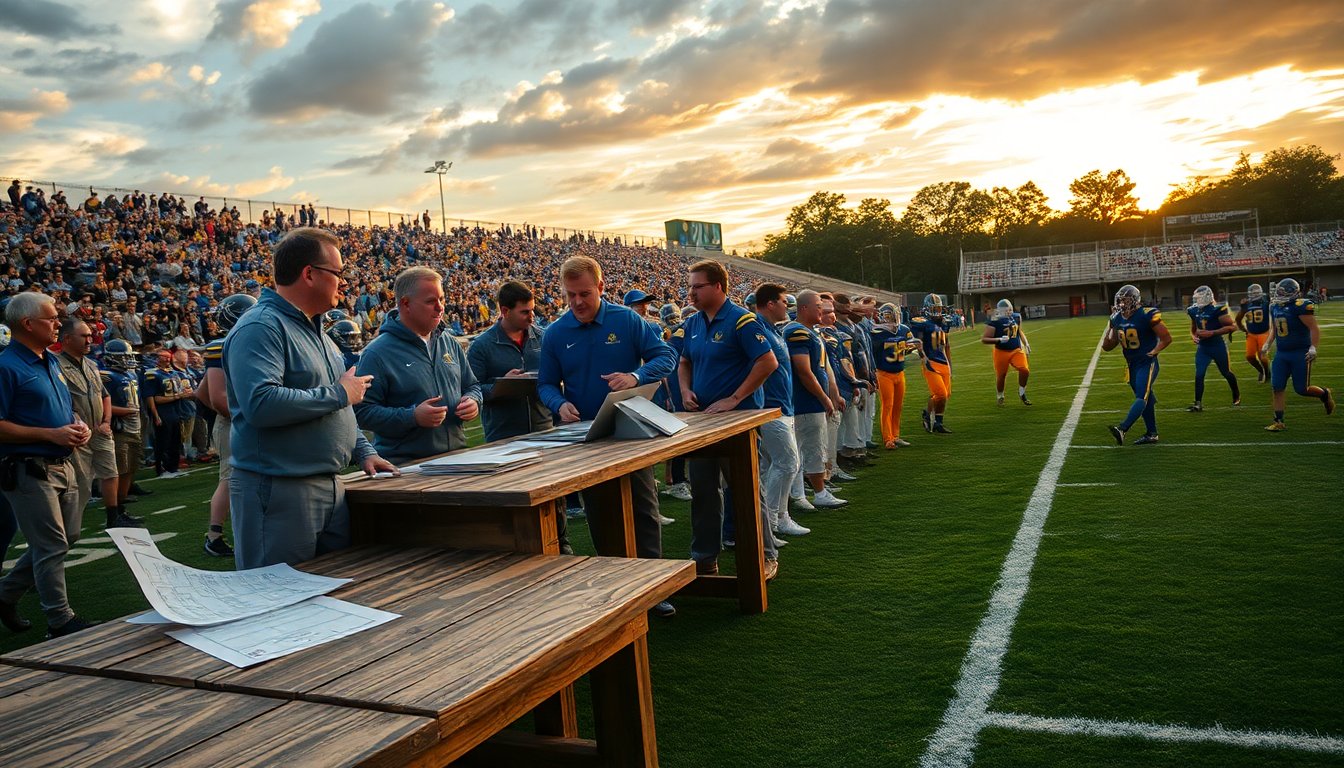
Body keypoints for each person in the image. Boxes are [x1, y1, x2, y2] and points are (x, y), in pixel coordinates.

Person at [224, 227, 397, 569]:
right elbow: (261, 403)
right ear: (309, 274)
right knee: (279, 601)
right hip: (280, 490)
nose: (343, 283)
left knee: (332, 598)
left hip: (328, 485)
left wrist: (364, 450)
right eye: (338, 273)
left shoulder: (320, 334)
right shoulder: (261, 327)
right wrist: (339, 393)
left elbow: (339, 406)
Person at [537, 256, 678, 617]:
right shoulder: (555, 333)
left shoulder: (626, 319)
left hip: (630, 429)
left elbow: (666, 356)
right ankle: (617, 586)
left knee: (643, 506)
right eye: (570, 296)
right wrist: (560, 403)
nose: (578, 302)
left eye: (584, 293)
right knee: (600, 512)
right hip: (588, 435)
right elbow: (546, 384)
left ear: (601, 287)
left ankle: (652, 588)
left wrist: (636, 376)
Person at [677, 260, 779, 580]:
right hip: (702, 422)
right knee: (704, 490)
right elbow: (684, 362)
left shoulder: (742, 321)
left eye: (698, 287)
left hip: (738, 423)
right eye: (690, 286)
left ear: (718, 286)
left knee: (745, 489)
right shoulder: (693, 323)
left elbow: (767, 362)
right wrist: (685, 390)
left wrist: (734, 399)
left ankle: (765, 555)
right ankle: (705, 557)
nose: (691, 292)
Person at [0, 292, 94, 639]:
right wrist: (49, 434)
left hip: (62, 462)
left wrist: (75, 424)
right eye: (52, 318)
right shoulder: (6, 367)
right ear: (27, 324)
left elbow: (61, 406)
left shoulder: (50, 360)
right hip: (28, 467)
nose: (59, 323)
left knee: (66, 537)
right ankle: (59, 621)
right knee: (52, 544)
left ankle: (5, 595)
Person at [467, 281, 571, 552]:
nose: (531, 317)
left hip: (543, 429)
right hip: (504, 434)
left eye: (532, 310)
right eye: (525, 312)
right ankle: (519, 550)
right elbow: (471, 389)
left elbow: (559, 375)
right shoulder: (482, 346)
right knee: (513, 494)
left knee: (553, 491)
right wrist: (502, 385)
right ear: (504, 311)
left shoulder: (542, 336)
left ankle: (561, 543)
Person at [354, 266, 482, 465]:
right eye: (431, 301)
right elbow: (362, 413)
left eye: (442, 299)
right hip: (407, 468)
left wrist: (473, 401)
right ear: (406, 304)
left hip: (457, 460)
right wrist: (412, 416)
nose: (440, 307)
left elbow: (472, 386)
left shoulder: (449, 341)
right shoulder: (377, 353)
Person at [56, 319, 141, 528]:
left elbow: (105, 396)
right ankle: (67, 524)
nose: (90, 340)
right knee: (82, 482)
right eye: (84, 336)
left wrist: (106, 421)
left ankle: (114, 517)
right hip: (78, 432)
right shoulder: (55, 364)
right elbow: (59, 399)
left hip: (100, 428)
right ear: (67, 338)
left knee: (111, 472)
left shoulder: (92, 365)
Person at [196, 292, 256, 558]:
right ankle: (214, 536)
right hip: (236, 421)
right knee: (230, 479)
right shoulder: (222, 344)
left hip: (237, 418)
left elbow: (200, 393)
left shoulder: (235, 341)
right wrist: (241, 415)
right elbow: (215, 396)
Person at [753, 283, 809, 538]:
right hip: (770, 407)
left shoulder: (774, 330)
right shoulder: (756, 328)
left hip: (782, 405)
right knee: (787, 463)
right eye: (784, 301)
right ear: (770, 303)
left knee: (772, 466)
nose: (788, 306)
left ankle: (769, 520)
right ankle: (777, 519)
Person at [787, 290, 846, 509]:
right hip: (804, 401)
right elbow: (804, 371)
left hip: (809, 401)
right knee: (808, 450)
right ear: (804, 309)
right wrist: (823, 397)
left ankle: (804, 493)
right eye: (818, 306)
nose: (822, 310)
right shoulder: (797, 331)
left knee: (808, 450)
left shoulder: (809, 331)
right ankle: (811, 494)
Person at [1103, 284, 1173, 445]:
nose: (1122, 303)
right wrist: (1111, 326)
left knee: (1142, 396)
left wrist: (1155, 351)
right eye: (1120, 300)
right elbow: (1107, 347)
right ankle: (1152, 434)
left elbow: (1166, 338)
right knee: (1145, 398)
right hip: (1131, 365)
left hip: (1146, 362)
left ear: (1134, 300)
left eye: (1125, 300)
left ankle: (1123, 429)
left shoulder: (1147, 314)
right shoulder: (1117, 318)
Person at [1264, 278, 1334, 431]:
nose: (1280, 295)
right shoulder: (1274, 307)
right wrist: (1267, 344)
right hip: (1282, 354)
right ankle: (1279, 421)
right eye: (1279, 292)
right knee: (1277, 387)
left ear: (1293, 293)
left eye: (1283, 292)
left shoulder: (1300, 306)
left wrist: (1313, 348)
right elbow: (1274, 329)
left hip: (1299, 353)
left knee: (1301, 389)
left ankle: (1324, 394)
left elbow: (1313, 328)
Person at [102, 340, 151, 533]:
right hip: (119, 429)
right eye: (123, 357)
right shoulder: (106, 376)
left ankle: (121, 509)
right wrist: (123, 411)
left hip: (135, 428)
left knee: (130, 469)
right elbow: (101, 404)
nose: (127, 360)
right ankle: (116, 512)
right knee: (119, 470)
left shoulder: (131, 374)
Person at [870, 302, 919, 448]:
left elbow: (907, 349)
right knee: (887, 405)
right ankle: (888, 438)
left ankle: (896, 435)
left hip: (900, 371)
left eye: (894, 316)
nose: (892, 319)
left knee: (898, 406)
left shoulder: (903, 329)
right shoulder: (875, 333)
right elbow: (872, 354)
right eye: (889, 316)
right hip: (884, 373)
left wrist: (913, 347)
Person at [1185, 285, 1240, 412]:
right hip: (1203, 348)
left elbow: (1232, 327)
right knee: (1199, 374)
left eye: (1199, 298)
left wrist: (1212, 333)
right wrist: (1193, 336)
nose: (1196, 301)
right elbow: (1194, 327)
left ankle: (1236, 393)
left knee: (1226, 372)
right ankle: (1198, 403)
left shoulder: (1217, 310)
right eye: (1196, 298)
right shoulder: (1193, 311)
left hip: (1217, 346)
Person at [144, 349, 190, 478]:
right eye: (163, 357)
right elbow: (152, 397)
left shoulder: (173, 373)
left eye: (168, 357)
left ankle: (173, 467)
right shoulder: (152, 374)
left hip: (175, 410)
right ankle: (161, 468)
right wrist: (155, 415)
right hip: (163, 411)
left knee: (175, 440)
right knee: (163, 441)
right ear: (157, 358)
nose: (167, 359)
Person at [910, 293, 953, 433]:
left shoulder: (944, 324)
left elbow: (947, 345)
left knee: (945, 395)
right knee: (940, 393)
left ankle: (938, 423)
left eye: (939, 309)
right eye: (934, 309)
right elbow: (916, 343)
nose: (937, 312)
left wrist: (950, 365)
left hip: (943, 361)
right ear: (927, 308)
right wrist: (923, 357)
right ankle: (927, 415)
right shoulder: (921, 323)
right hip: (931, 361)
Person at [981, 298, 1032, 406]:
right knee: (1001, 375)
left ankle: (1022, 392)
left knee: (1025, 370)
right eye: (1006, 310)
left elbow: (1019, 331)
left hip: (1016, 349)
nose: (1009, 312)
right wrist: (998, 339)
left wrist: (1026, 343)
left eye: (1010, 310)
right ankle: (1000, 395)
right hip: (1001, 351)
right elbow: (984, 339)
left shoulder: (1016, 317)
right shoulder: (994, 320)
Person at [1235, 283, 1272, 383]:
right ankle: (1261, 371)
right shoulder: (1246, 305)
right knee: (1250, 357)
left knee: (1262, 356)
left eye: (1256, 292)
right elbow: (1238, 319)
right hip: (1251, 334)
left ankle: (1267, 374)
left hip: (1264, 333)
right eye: (1253, 292)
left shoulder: (1266, 303)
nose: (1255, 294)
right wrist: (1243, 328)